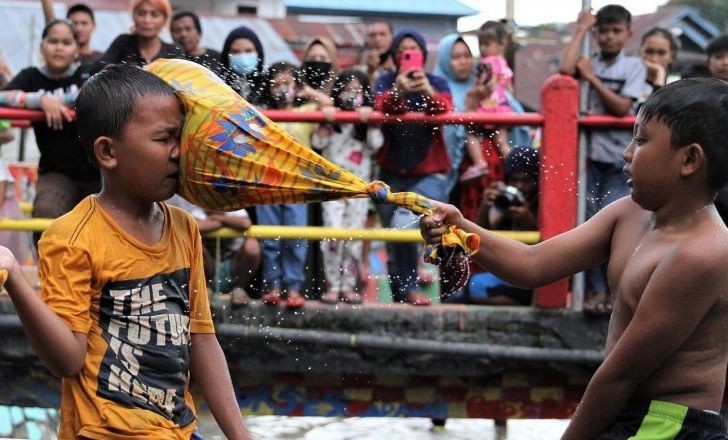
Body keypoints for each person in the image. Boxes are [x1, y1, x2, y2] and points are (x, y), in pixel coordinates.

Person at [421, 78, 728, 440]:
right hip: (628, 410)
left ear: (689, 159)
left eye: (642, 140)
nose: (626, 153)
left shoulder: (702, 254)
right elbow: (532, 264)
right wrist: (462, 229)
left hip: (670, 423)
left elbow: (620, 376)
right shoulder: (628, 213)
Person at [0, 64, 251, 438]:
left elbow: (201, 339)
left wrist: (241, 435)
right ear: (108, 152)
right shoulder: (71, 238)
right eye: (164, 138)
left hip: (176, 430)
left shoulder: (184, 228)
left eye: (180, 137)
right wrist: (16, 279)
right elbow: (68, 360)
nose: (178, 152)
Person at [560, 5, 646, 316]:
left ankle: (614, 292)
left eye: (615, 31)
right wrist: (581, 28)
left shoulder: (633, 67)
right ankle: (594, 290)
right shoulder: (589, 60)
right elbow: (566, 70)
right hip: (590, 160)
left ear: (627, 34)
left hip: (618, 162)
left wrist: (592, 79)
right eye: (603, 32)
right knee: (587, 224)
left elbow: (622, 107)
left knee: (615, 225)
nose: (609, 38)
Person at [373, 28, 452, 306]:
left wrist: (427, 91)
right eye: (401, 51)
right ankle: (401, 297)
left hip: (428, 171)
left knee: (405, 226)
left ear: (423, 54)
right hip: (391, 171)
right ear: (395, 56)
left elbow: (443, 110)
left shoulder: (437, 81)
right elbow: (382, 107)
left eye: (412, 50)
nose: (406, 55)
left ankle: (413, 289)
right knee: (395, 240)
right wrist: (399, 89)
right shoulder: (384, 80)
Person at [1, 20, 100, 242]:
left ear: (77, 48)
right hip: (57, 172)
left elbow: (98, 93)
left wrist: (57, 101)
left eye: (66, 42)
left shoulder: (87, 72)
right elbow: (2, 98)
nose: (59, 47)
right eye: (53, 41)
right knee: (46, 211)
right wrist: (39, 99)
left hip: (99, 171)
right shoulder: (31, 77)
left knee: (101, 227)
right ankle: (48, 273)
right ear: (42, 46)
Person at [313, 69, 383, 305]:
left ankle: (348, 285)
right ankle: (333, 285)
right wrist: (325, 117)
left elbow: (375, 145)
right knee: (333, 234)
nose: (351, 95)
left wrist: (371, 119)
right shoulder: (331, 118)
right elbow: (318, 142)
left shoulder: (365, 121)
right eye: (346, 90)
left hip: (359, 190)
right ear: (337, 92)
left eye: (357, 91)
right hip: (333, 187)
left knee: (353, 235)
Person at [256, 61, 316, 309]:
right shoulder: (262, 114)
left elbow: (328, 106)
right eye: (277, 84)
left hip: (297, 185)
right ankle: (273, 286)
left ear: (296, 86)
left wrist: (307, 91)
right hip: (267, 183)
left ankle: (293, 287)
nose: (282, 89)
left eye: (287, 84)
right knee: (269, 238)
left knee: (295, 237)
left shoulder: (306, 111)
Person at [452, 146, 539, 306]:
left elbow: (545, 247)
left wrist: (527, 220)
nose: (519, 186)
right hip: (509, 271)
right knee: (473, 284)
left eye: (525, 181)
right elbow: (480, 235)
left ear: (537, 180)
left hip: (535, 273)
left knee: (475, 290)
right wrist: (486, 205)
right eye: (514, 180)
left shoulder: (544, 203)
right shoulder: (507, 199)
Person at [167, 195, 260, 306]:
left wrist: (220, 219)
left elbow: (245, 223)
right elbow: (196, 226)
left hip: (234, 265)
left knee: (252, 244)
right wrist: (225, 223)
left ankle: (239, 289)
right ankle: (205, 290)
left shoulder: (234, 209)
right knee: (193, 245)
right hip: (208, 268)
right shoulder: (197, 211)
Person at [459, 20, 514, 184]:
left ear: (501, 44)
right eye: (480, 44)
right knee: (502, 141)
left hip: (488, 108)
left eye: (486, 44)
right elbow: (508, 87)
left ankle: (479, 162)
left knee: (471, 133)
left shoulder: (486, 63)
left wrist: (478, 88)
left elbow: (483, 85)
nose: (483, 48)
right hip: (502, 107)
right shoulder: (503, 63)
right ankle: (514, 165)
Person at [433, 33, 476, 195]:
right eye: (456, 57)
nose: (463, 61)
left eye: (467, 55)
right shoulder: (435, 88)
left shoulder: (480, 84)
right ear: (445, 60)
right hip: (445, 167)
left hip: (478, 171)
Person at [92, 0, 184, 73]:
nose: (147, 20)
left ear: (164, 20)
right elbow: (98, 69)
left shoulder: (174, 51)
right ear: (133, 16)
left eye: (154, 15)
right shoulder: (123, 42)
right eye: (141, 14)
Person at [706, 34, 728, 226]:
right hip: (707, 168)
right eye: (719, 57)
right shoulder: (695, 94)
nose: (725, 62)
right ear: (709, 61)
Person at [219, 25, 267, 106]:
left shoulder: (268, 85)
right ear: (226, 56)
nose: (242, 57)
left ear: (259, 53)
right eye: (235, 52)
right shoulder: (218, 85)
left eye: (248, 51)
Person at [639, 27, 679, 104]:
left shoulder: (679, 88)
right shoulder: (629, 83)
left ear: (672, 56)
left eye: (661, 53)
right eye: (649, 52)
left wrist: (660, 75)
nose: (654, 59)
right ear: (640, 52)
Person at [361, 21, 395, 86]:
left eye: (382, 34)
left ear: (392, 37)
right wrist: (370, 72)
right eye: (373, 35)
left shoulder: (400, 68)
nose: (377, 39)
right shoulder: (360, 71)